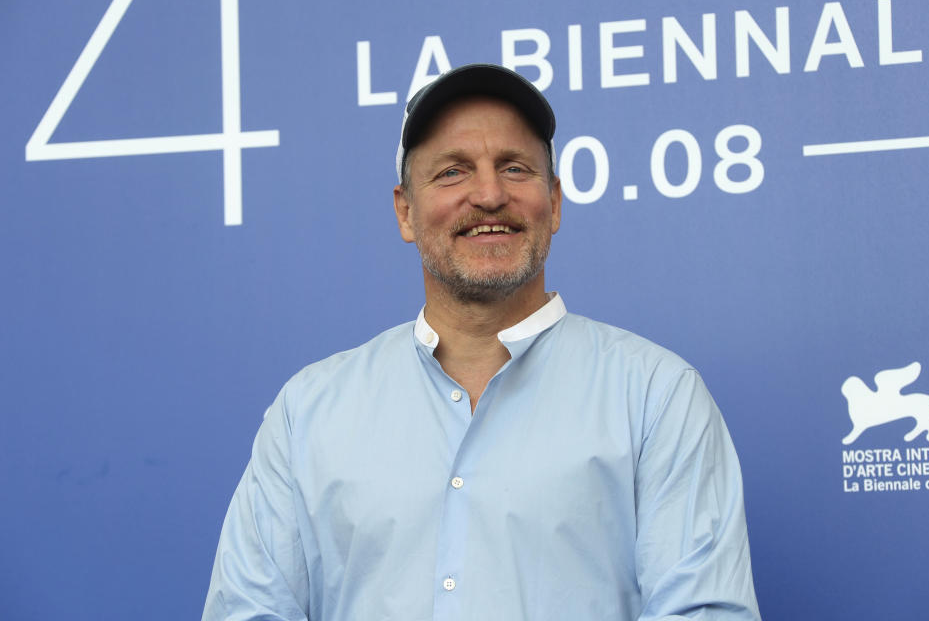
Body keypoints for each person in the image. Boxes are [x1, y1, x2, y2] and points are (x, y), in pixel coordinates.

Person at [202, 63, 761, 621]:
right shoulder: (308, 413)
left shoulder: (658, 398)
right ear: (405, 210)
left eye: (515, 168)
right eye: (452, 173)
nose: (489, 194)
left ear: (556, 202)